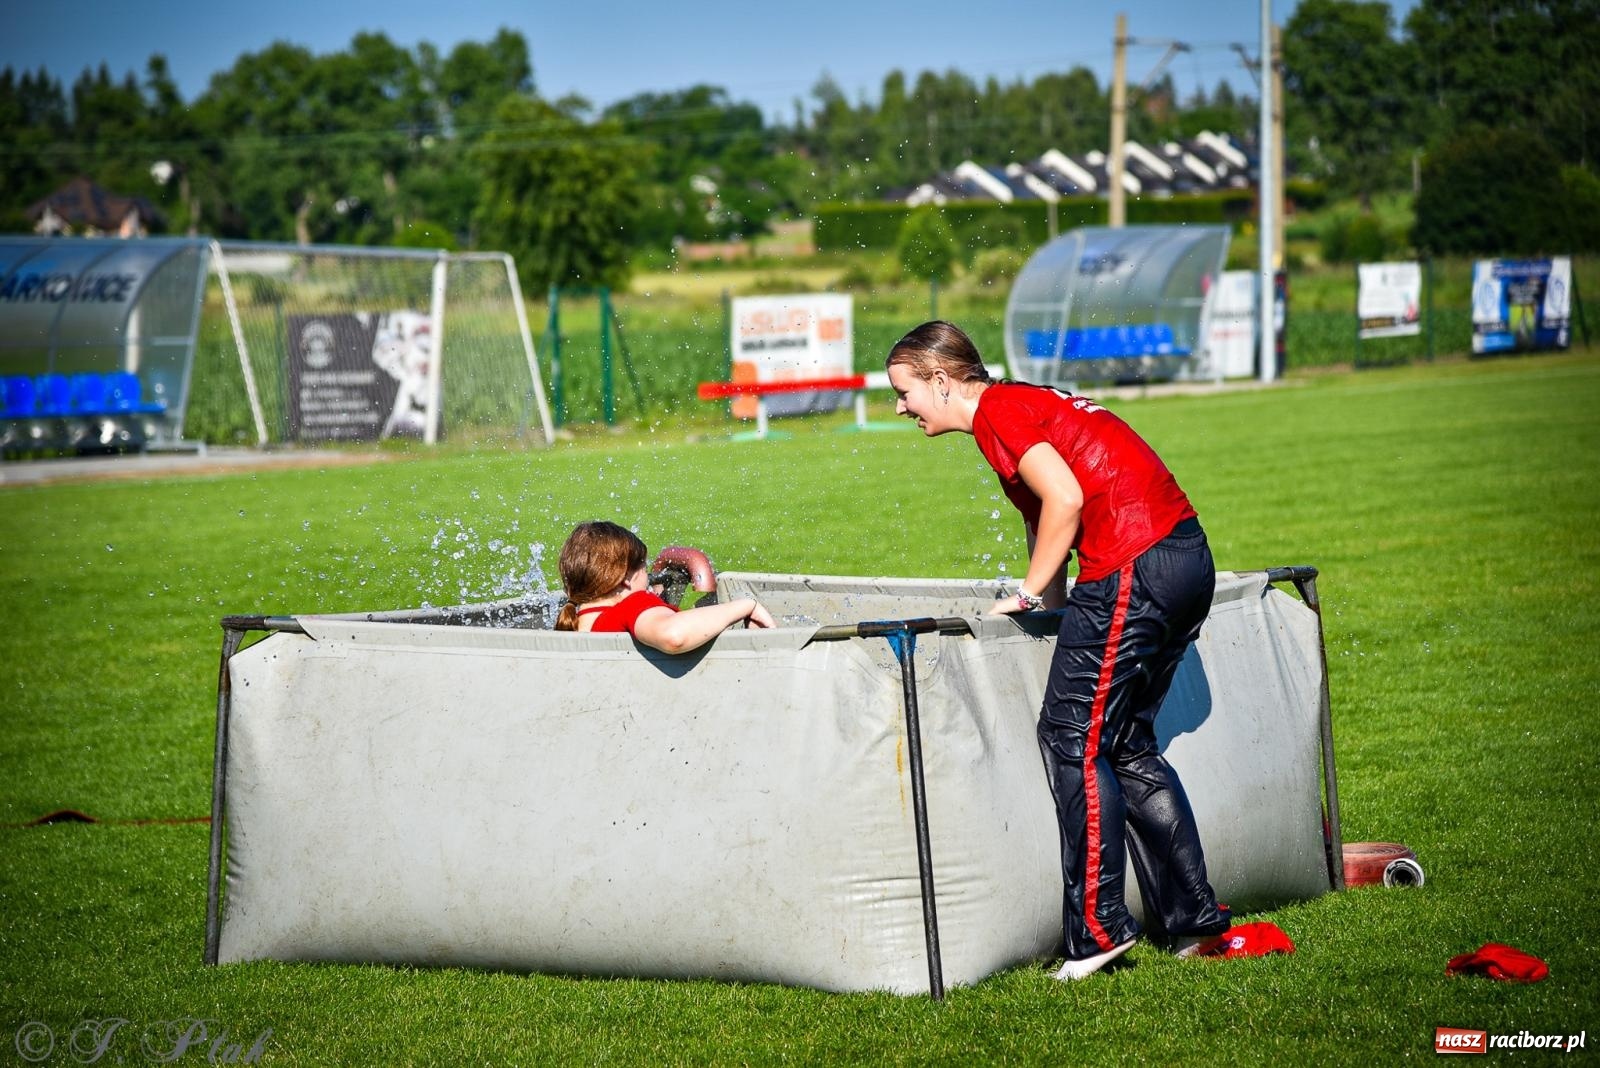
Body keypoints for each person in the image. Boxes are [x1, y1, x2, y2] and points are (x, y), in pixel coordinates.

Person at [886, 321, 1231, 981]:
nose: (901, 407)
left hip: (1135, 561)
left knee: (1072, 737)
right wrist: (1051, 603)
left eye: (905, 392)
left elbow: (1066, 499)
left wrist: (1026, 592)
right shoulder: (1019, 404)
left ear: (940, 379)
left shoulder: (998, 412)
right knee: (1125, 742)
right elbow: (1048, 515)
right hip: (1184, 556)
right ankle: (1193, 924)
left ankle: (1099, 933)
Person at [554, 521, 774, 653]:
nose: (649, 577)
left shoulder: (576, 622)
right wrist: (746, 606)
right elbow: (674, 635)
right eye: (643, 568)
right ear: (625, 578)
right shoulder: (632, 604)